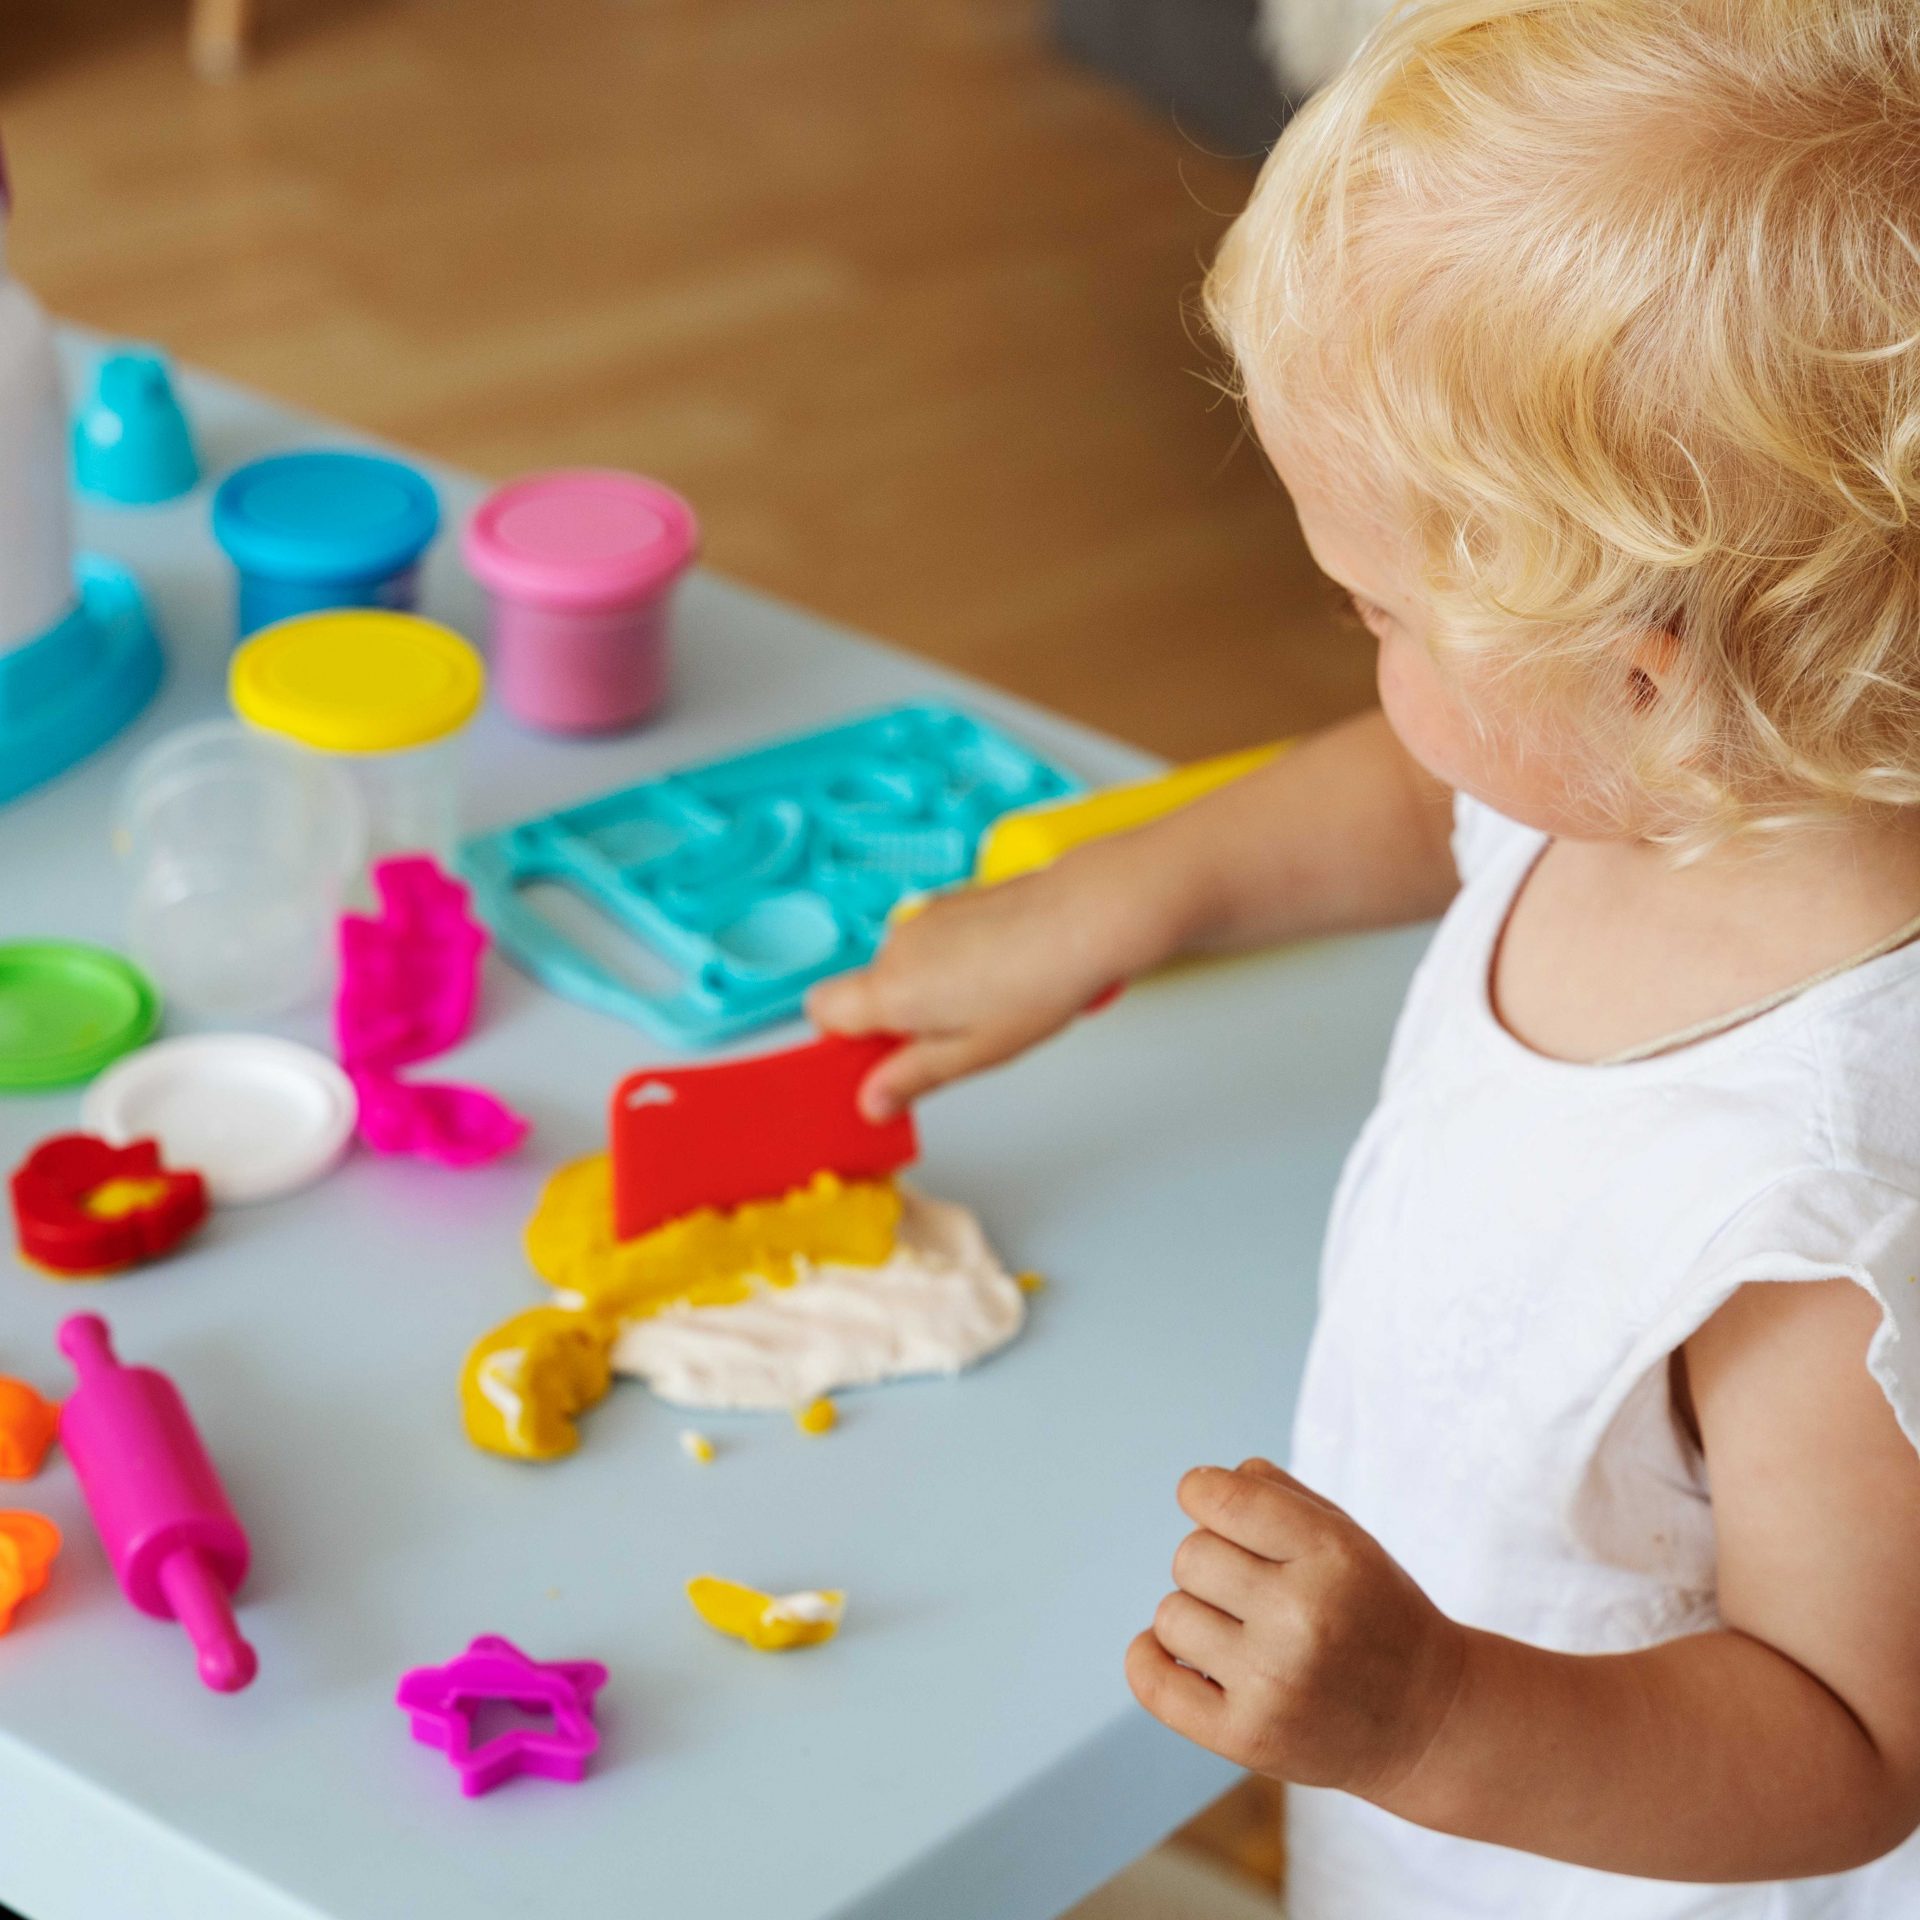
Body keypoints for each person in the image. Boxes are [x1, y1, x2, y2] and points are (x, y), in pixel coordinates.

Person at [810, 3, 1920, 1911]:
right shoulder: (1659, 782)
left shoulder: (1814, 1210)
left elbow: (1849, 1742)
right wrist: (1126, 896)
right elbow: (1438, 802)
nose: (1364, 663)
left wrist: (1423, 1719)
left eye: (1375, 609)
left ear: (1639, 686)